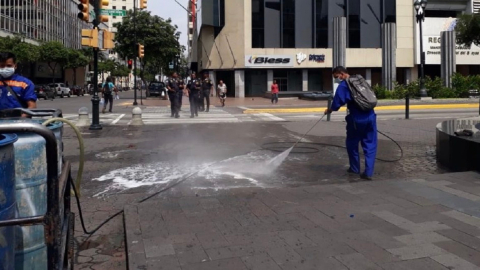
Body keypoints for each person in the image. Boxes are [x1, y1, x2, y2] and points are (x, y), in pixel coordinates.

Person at [324, 66, 377, 181]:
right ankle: (368, 172)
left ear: (341, 73)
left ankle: (354, 168)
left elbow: (337, 103)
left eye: (336, 77)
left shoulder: (344, 85)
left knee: (352, 144)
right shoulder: (359, 80)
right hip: (371, 116)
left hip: (356, 119)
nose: (336, 79)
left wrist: (329, 110)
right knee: (370, 144)